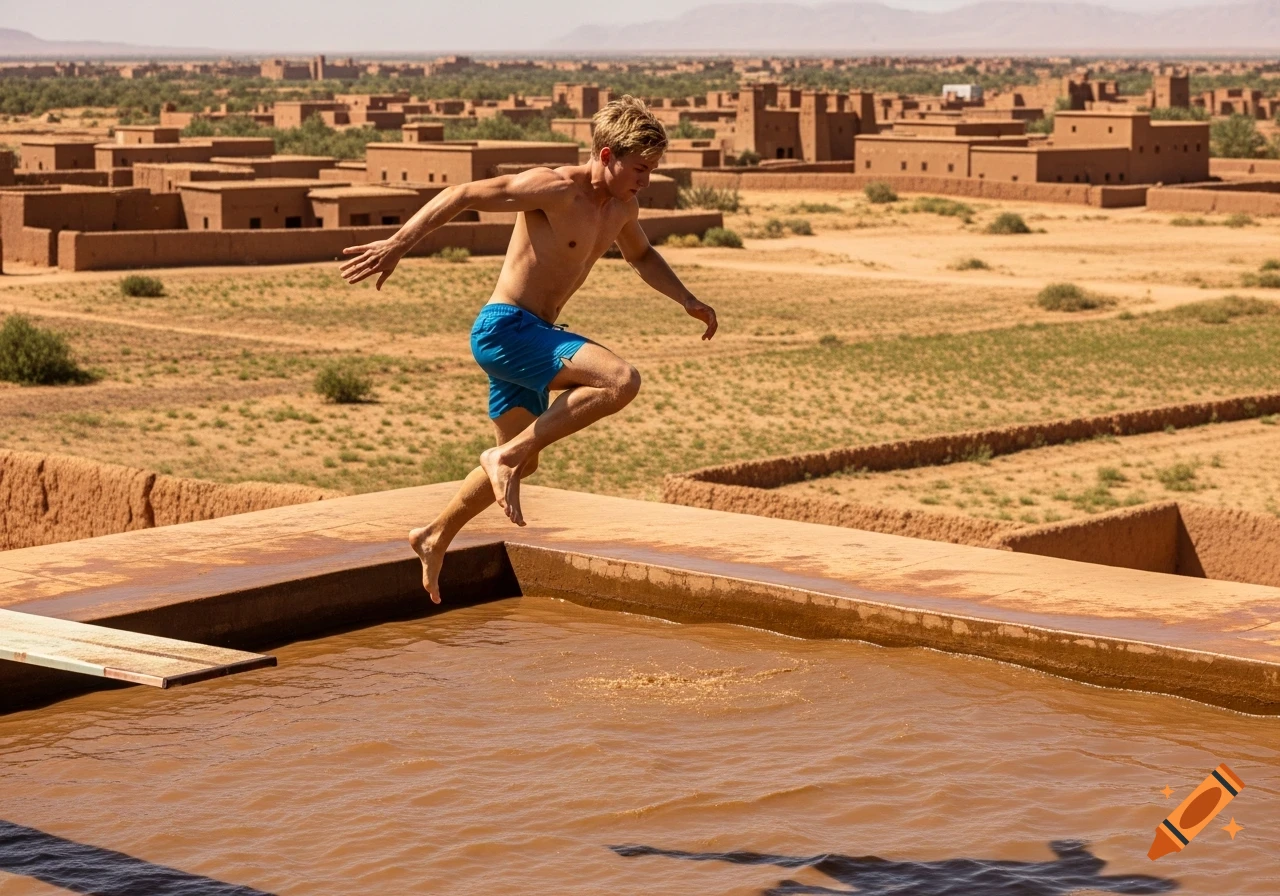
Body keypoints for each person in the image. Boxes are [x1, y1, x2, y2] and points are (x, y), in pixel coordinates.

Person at [339, 96, 718, 603]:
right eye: (639, 168)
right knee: (620, 380)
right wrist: (397, 244)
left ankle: (433, 536)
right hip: (505, 329)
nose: (645, 180)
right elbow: (462, 193)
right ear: (606, 156)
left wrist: (687, 299)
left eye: (652, 170)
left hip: (534, 333)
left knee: (527, 463)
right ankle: (505, 455)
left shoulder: (622, 207)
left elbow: (643, 256)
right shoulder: (555, 187)